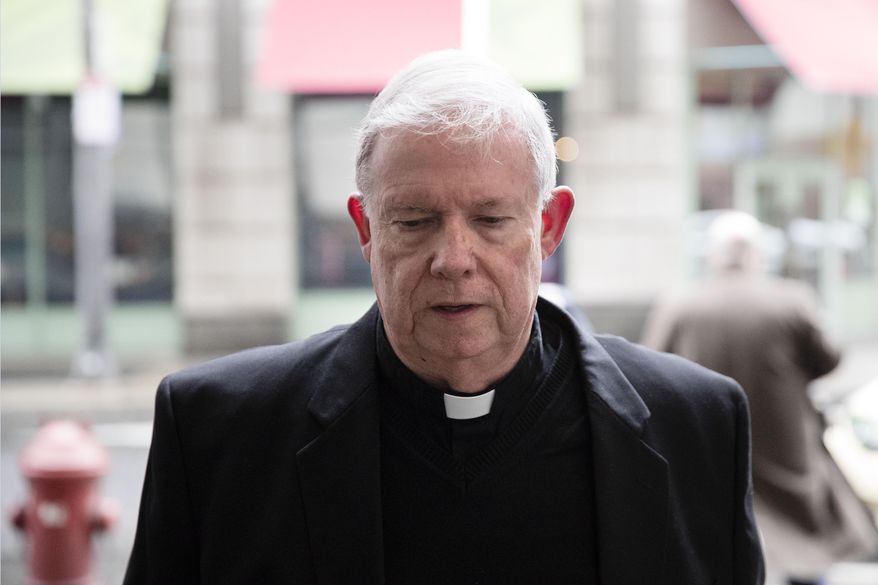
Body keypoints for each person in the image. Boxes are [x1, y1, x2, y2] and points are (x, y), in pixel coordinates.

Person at [124, 50, 764, 584]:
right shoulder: (219, 431)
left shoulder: (699, 425)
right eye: (414, 221)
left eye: (490, 220)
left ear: (548, 225)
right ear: (366, 229)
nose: (453, 260)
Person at [642, 210, 878, 585]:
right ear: (755, 254)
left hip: (706, 440)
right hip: (783, 444)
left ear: (714, 255)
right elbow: (830, 358)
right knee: (803, 550)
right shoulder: (790, 300)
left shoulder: (680, 303)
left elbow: (649, 369)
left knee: (715, 546)